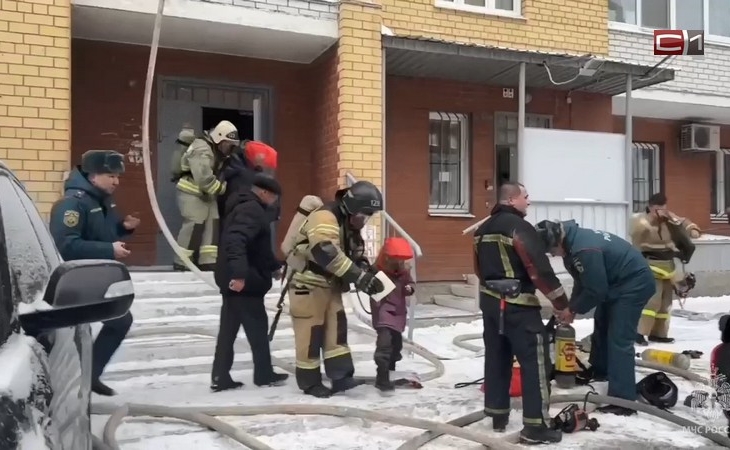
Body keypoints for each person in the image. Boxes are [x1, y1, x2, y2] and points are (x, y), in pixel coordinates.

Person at [474, 182, 569, 444]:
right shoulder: (520, 228)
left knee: (496, 357)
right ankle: (536, 427)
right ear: (512, 199)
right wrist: (561, 302)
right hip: (518, 306)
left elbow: (479, 269)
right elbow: (538, 269)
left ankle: (497, 414)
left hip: (491, 305)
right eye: (526, 197)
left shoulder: (482, 230)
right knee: (536, 363)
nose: (529, 202)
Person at [535, 219, 656, 416]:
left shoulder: (584, 250)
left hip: (634, 284)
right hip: (616, 283)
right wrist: (569, 307)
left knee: (619, 338)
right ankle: (602, 370)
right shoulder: (572, 245)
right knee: (602, 324)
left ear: (557, 241)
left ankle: (623, 400)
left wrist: (573, 309)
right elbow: (583, 281)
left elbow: (597, 290)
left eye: (551, 250)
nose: (553, 254)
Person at [49, 150, 140, 396]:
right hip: (76, 278)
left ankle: (89, 375)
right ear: (92, 176)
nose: (116, 181)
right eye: (111, 176)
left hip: (97, 274)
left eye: (117, 176)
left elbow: (104, 232)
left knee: (119, 321)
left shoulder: (101, 200)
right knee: (111, 323)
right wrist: (109, 249)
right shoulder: (73, 203)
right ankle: (82, 378)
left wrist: (124, 228)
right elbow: (65, 244)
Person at [287, 181, 386, 398]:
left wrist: (365, 273)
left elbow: (356, 252)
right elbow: (326, 251)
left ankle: (341, 376)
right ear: (350, 207)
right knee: (310, 335)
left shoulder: (349, 224)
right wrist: (358, 277)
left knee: (336, 331)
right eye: (363, 214)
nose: (364, 219)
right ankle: (309, 382)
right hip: (308, 285)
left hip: (330, 285)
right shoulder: (325, 217)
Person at [211, 173, 289, 392]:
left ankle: (220, 375)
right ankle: (263, 374)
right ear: (264, 193)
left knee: (228, 330)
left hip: (236, 276)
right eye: (274, 197)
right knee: (257, 328)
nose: (275, 203)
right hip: (245, 282)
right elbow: (236, 240)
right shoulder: (252, 210)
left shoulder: (242, 206)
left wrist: (273, 266)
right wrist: (239, 275)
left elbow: (257, 248)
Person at [630, 193, 700, 345]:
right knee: (651, 302)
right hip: (650, 264)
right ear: (650, 207)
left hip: (668, 265)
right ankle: (639, 332)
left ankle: (659, 333)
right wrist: (652, 220)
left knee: (665, 303)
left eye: (663, 207)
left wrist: (693, 229)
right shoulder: (640, 220)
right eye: (658, 208)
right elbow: (636, 233)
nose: (662, 211)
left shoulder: (667, 218)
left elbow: (682, 221)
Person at [174, 120, 240, 271]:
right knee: (194, 224)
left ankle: (208, 261)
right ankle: (182, 261)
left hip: (207, 195)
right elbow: (204, 178)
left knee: (213, 223)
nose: (230, 147)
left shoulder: (217, 151)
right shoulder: (202, 148)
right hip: (191, 192)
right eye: (228, 143)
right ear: (219, 138)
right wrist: (222, 189)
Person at [369, 237, 415, 392]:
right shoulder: (377, 272)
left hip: (398, 313)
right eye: (394, 260)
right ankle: (382, 377)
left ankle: (391, 370)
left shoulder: (404, 273)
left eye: (400, 261)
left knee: (396, 346)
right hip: (383, 313)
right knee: (384, 345)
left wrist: (410, 288)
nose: (397, 263)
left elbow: (410, 283)